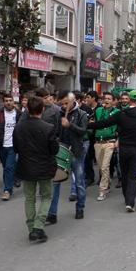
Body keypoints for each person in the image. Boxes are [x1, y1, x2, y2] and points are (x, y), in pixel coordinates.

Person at [13, 96, 59, 243]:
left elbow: (16, 148)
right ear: (42, 109)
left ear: (27, 109)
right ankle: (39, 226)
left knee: (30, 198)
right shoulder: (48, 128)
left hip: (26, 166)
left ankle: (31, 227)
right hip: (44, 167)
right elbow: (54, 150)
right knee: (46, 196)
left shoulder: (19, 127)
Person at [47, 93, 88, 223]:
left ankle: (80, 207)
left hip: (76, 152)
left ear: (73, 101)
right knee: (55, 182)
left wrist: (69, 125)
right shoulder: (58, 114)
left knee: (79, 182)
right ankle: (52, 213)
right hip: (60, 151)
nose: (64, 106)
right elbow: (55, 132)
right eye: (62, 104)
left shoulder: (81, 114)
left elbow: (83, 131)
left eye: (67, 103)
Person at [0, 93, 21, 201]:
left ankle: (7, 190)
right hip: (2, 145)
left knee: (8, 167)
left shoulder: (19, 114)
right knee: (6, 168)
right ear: (3, 102)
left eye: (10, 100)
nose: (8, 102)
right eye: (6, 101)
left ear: (13, 102)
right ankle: (11, 181)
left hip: (13, 145)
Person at [92, 93, 120, 201]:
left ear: (113, 101)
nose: (107, 100)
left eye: (109, 99)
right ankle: (107, 181)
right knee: (101, 167)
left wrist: (118, 140)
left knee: (105, 166)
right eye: (105, 99)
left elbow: (121, 127)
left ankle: (102, 190)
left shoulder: (117, 112)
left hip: (110, 141)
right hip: (98, 141)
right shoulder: (98, 111)